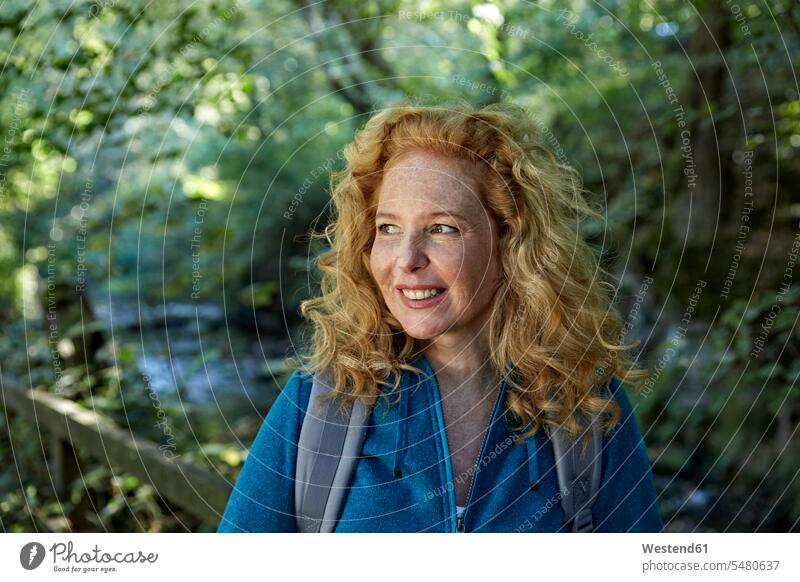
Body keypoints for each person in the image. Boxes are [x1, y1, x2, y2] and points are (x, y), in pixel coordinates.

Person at [217, 102, 663, 533]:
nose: (406, 259)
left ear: (509, 241)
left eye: (442, 228)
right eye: (388, 228)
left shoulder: (586, 406)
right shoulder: (318, 409)